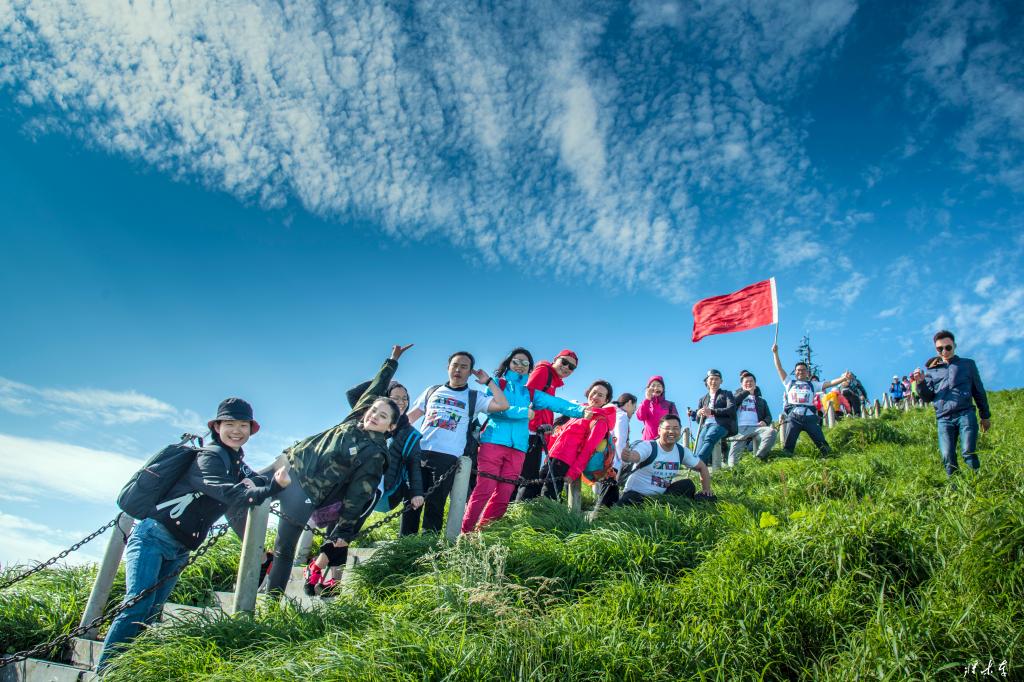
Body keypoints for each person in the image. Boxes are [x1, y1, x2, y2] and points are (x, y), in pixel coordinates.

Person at [99, 399, 288, 669]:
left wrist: (255, 481)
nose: (237, 431)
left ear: (250, 430)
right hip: (154, 536)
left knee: (151, 611)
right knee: (138, 604)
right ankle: (104, 671)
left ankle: (122, 670)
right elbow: (224, 491)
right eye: (230, 424)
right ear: (217, 427)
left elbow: (254, 477)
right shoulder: (210, 456)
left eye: (243, 425)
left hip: (180, 547)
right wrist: (272, 488)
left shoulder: (234, 461)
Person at [265, 344, 413, 594]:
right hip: (289, 465)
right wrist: (392, 361)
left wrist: (343, 531)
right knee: (236, 500)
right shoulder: (356, 417)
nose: (374, 416)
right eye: (374, 411)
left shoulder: (375, 453)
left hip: (309, 492)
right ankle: (261, 560)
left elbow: (359, 493)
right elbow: (375, 387)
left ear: (390, 427)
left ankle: (276, 601)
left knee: (287, 548)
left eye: (383, 416)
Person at [304, 379, 427, 595]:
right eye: (395, 397)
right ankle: (334, 581)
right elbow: (353, 395)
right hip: (347, 482)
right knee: (338, 530)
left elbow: (413, 463)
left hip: (374, 490)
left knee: (346, 530)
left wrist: (417, 492)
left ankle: (317, 566)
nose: (401, 402)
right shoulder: (372, 417)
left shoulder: (409, 433)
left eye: (405, 398)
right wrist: (389, 377)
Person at [460, 348, 588, 532]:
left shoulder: (529, 392)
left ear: (529, 368)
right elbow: (493, 409)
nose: (520, 366)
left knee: (504, 494)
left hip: (519, 447)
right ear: (508, 363)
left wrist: (582, 411)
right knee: (484, 490)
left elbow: (556, 403)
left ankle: (485, 532)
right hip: (494, 442)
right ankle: (465, 532)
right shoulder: (497, 383)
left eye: (525, 363)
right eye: (516, 362)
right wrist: (522, 412)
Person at [402, 351, 510, 535]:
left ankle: (426, 547)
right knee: (410, 503)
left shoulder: (474, 397)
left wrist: (488, 382)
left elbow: (503, 405)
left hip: (447, 458)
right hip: (419, 452)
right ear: (448, 367)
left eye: (464, 367)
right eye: (455, 365)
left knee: (435, 505)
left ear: (470, 372)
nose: (458, 370)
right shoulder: (432, 391)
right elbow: (409, 419)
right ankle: (404, 545)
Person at [917, 330, 991, 476]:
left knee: (968, 452)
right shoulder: (931, 371)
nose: (944, 351)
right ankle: (955, 487)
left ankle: (978, 483)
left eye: (948, 347)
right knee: (947, 457)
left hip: (965, 413)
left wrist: (985, 416)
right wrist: (920, 383)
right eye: (940, 349)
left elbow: (978, 391)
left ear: (954, 346)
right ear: (936, 350)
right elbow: (928, 397)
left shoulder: (968, 364)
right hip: (943, 419)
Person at [515, 350, 579, 501]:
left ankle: (514, 510)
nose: (566, 367)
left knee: (527, 478)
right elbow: (527, 396)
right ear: (555, 359)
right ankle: (515, 510)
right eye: (564, 362)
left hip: (536, 433)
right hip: (529, 432)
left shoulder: (552, 380)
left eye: (571, 367)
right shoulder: (544, 371)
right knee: (528, 480)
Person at [540, 380, 617, 500]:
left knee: (548, 495)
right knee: (540, 488)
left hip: (564, 461)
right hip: (553, 456)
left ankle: (548, 512)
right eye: (594, 392)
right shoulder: (579, 411)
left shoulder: (600, 421)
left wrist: (573, 473)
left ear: (606, 401)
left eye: (600, 395)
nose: (595, 397)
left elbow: (588, 449)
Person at [771, 343, 851, 456]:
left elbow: (830, 383)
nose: (800, 372)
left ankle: (830, 458)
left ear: (807, 372)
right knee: (788, 445)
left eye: (803, 370)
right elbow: (779, 368)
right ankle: (785, 462)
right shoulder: (789, 383)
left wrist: (843, 378)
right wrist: (775, 353)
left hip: (809, 417)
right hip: (793, 417)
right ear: (795, 372)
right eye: (798, 370)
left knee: (821, 442)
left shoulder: (813, 384)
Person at [616, 414, 713, 505]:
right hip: (636, 495)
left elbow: (702, 467)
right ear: (659, 430)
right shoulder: (649, 446)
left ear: (680, 430)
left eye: (676, 428)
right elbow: (636, 456)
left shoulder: (681, 451)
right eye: (667, 428)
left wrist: (706, 490)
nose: (671, 431)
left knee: (688, 484)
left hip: (661, 497)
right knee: (630, 501)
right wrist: (628, 456)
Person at [596, 392, 638, 508]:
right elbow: (620, 441)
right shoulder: (622, 416)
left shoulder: (611, 413)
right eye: (634, 407)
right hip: (613, 462)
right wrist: (624, 460)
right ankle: (599, 516)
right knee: (608, 497)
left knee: (608, 494)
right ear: (629, 403)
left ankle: (603, 514)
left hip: (602, 459)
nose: (634, 411)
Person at [689, 369, 736, 469]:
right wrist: (698, 414)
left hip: (721, 425)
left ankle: (697, 463)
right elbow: (698, 421)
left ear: (721, 381)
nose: (713, 381)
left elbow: (731, 410)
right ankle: (699, 465)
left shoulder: (727, 394)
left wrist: (712, 411)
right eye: (711, 379)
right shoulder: (702, 399)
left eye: (716, 379)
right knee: (699, 442)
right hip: (706, 425)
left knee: (709, 437)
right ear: (707, 381)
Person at [728, 373, 776, 465]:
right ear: (741, 385)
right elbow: (731, 404)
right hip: (739, 429)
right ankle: (733, 471)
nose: (749, 383)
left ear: (755, 384)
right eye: (746, 382)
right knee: (733, 460)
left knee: (771, 432)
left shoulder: (761, 401)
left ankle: (758, 458)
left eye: (751, 381)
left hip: (756, 428)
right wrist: (746, 392)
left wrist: (765, 422)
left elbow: (769, 416)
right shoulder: (735, 397)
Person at [635, 376, 679, 440]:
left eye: (659, 385)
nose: (656, 388)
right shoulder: (645, 403)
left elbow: (676, 423)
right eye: (653, 386)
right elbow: (640, 417)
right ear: (648, 388)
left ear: (663, 389)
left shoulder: (670, 405)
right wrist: (647, 399)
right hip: (648, 441)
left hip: (665, 442)